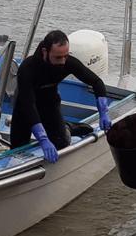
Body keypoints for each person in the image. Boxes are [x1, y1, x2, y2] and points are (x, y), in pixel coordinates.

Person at [12, 30, 113, 163]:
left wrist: (103, 112)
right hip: (25, 107)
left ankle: (68, 128)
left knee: (61, 143)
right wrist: (43, 139)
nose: (63, 61)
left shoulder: (67, 62)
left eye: (65, 56)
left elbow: (96, 82)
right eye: (58, 57)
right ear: (44, 52)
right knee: (16, 152)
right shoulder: (28, 68)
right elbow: (28, 104)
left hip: (50, 105)